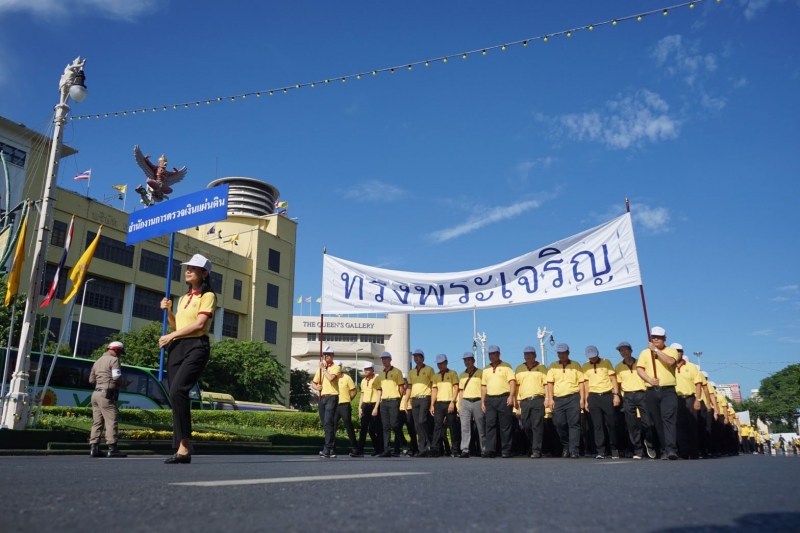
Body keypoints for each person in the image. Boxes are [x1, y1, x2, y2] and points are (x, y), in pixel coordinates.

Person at [159, 253, 216, 464]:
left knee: (178, 390)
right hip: (177, 346)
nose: (188, 270)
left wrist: (170, 336)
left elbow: (199, 325)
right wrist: (169, 311)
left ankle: (183, 447)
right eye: (187, 267)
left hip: (197, 346)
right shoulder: (182, 298)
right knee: (174, 396)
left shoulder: (208, 296)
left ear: (205, 273)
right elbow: (178, 327)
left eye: (194, 268)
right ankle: (185, 445)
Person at [636, 326, 679, 460]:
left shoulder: (671, 351)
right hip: (651, 391)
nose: (655, 339)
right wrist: (649, 379)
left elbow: (670, 361)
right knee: (657, 421)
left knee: (668, 419)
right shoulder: (644, 353)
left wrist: (655, 350)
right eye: (653, 336)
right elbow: (639, 369)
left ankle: (671, 449)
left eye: (658, 337)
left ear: (664, 339)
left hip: (668, 390)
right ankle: (663, 449)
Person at [88, 341, 129, 458]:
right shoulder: (114, 360)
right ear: (117, 351)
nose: (120, 355)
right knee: (111, 420)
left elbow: (91, 380)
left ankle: (94, 447)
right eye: (120, 353)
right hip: (107, 394)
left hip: (95, 394)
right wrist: (124, 383)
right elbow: (116, 377)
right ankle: (112, 448)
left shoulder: (97, 361)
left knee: (97, 422)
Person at [546, 343, 585, 458]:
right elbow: (549, 384)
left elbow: (581, 383)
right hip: (558, 398)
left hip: (573, 397)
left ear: (568, 353)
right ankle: (566, 445)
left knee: (574, 424)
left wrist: (582, 399)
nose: (561, 355)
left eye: (563, 353)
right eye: (559, 353)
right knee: (559, 423)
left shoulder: (576, 365)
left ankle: (574, 450)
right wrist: (550, 399)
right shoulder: (553, 366)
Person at [582, 345, 620, 459]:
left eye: (593, 356)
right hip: (593, 397)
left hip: (607, 395)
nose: (592, 359)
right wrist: (586, 400)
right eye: (590, 357)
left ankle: (614, 448)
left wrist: (616, 395)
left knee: (611, 424)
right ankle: (600, 450)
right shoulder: (585, 366)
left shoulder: (606, 362)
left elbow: (613, 379)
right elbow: (586, 384)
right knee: (597, 425)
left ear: (597, 353)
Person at [614, 341, 650, 460]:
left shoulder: (640, 363)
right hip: (628, 396)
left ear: (631, 350)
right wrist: (617, 395)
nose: (623, 352)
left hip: (642, 393)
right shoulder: (618, 367)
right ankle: (638, 450)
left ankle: (649, 444)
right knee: (632, 425)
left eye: (625, 349)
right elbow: (618, 384)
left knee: (648, 422)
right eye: (621, 350)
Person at [480, 345, 516, 458]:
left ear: (499, 354)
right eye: (490, 354)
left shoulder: (506, 366)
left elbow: (512, 382)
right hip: (490, 399)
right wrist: (482, 402)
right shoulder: (486, 369)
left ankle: (506, 450)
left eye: (494, 353)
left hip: (503, 398)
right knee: (490, 425)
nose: (491, 356)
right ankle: (490, 449)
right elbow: (483, 387)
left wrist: (511, 396)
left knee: (505, 425)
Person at [515, 346, 547, 458]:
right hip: (524, 401)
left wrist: (547, 398)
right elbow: (517, 386)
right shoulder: (519, 368)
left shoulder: (541, 367)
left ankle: (536, 450)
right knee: (526, 425)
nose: (528, 356)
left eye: (530, 354)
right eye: (526, 354)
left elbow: (546, 384)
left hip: (538, 399)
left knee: (537, 425)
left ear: (535, 355)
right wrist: (517, 400)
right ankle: (531, 446)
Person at [672, 344, 703, 460]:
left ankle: (694, 451)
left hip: (690, 399)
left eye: (679, 351)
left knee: (692, 426)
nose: (677, 353)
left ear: (682, 352)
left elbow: (698, 384)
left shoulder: (691, 366)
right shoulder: (669, 367)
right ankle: (684, 451)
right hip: (676, 400)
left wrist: (698, 399)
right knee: (679, 426)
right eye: (674, 351)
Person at [373, 351, 405, 457]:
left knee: (394, 425)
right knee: (385, 426)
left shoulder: (397, 372)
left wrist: (398, 399)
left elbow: (401, 387)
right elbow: (379, 389)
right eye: (382, 359)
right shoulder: (380, 374)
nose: (384, 360)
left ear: (390, 360)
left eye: (386, 358)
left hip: (394, 400)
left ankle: (404, 444)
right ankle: (387, 450)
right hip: (384, 402)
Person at [311, 346, 341, 458]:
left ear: (332, 356)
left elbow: (331, 378)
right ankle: (331, 448)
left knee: (328, 421)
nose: (326, 356)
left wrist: (324, 369)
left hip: (332, 396)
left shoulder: (335, 367)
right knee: (325, 423)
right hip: (322, 397)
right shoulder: (320, 369)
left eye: (328, 354)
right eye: (324, 354)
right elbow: (314, 383)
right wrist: (316, 387)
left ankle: (328, 448)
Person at [406, 349, 434, 456]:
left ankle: (428, 443)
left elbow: (432, 385)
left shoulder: (429, 369)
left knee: (422, 421)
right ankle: (422, 447)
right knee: (417, 424)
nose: (416, 358)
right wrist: (406, 400)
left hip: (425, 397)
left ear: (423, 358)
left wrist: (432, 402)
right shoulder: (411, 372)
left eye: (418, 356)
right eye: (414, 356)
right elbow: (409, 386)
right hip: (414, 399)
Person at [430, 354, 460, 457]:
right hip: (439, 403)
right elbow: (434, 390)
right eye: (438, 363)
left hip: (449, 402)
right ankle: (435, 449)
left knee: (452, 426)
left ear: (446, 362)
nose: (440, 365)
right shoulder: (436, 376)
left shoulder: (452, 373)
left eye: (442, 363)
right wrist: (432, 405)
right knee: (437, 426)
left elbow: (456, 388)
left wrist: (453, 401)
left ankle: (455, 449)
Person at [457, 352, 485, 458]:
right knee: (465, 427)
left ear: (473, 361)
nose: (467, 362)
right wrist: (460, 405)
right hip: (465, 401)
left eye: (469, 360)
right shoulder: (462, 375)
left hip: (478, 401)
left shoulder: (481, 373)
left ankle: (484, 449)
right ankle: (465, 449)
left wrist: (483, 402)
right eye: (465, 360)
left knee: (481, 426)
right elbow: (460, 391)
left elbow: (484, 388)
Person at [355, 361, 382, 457]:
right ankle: (359, 450)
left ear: (372, 369)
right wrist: (359, 408)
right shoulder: (363, 381)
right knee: (363, 429)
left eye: (368, 368)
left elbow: (379, 393)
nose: (366, 370)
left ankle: (379, 449)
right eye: (365, 369)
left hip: (374, 404)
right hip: (365, 405)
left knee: (374, 429)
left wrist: (376, 407)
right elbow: (362, 395)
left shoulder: (377, 379)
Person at [332, 361, 358, 457]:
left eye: (339, 366)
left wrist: (348, 399)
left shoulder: (347, 378)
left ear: (341, 367)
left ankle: (355, 448)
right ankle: (331, 448)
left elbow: (353, 391)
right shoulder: (332, 378)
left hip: (344, 405)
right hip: (335, 405)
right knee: (332, 426)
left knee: (348, 426)